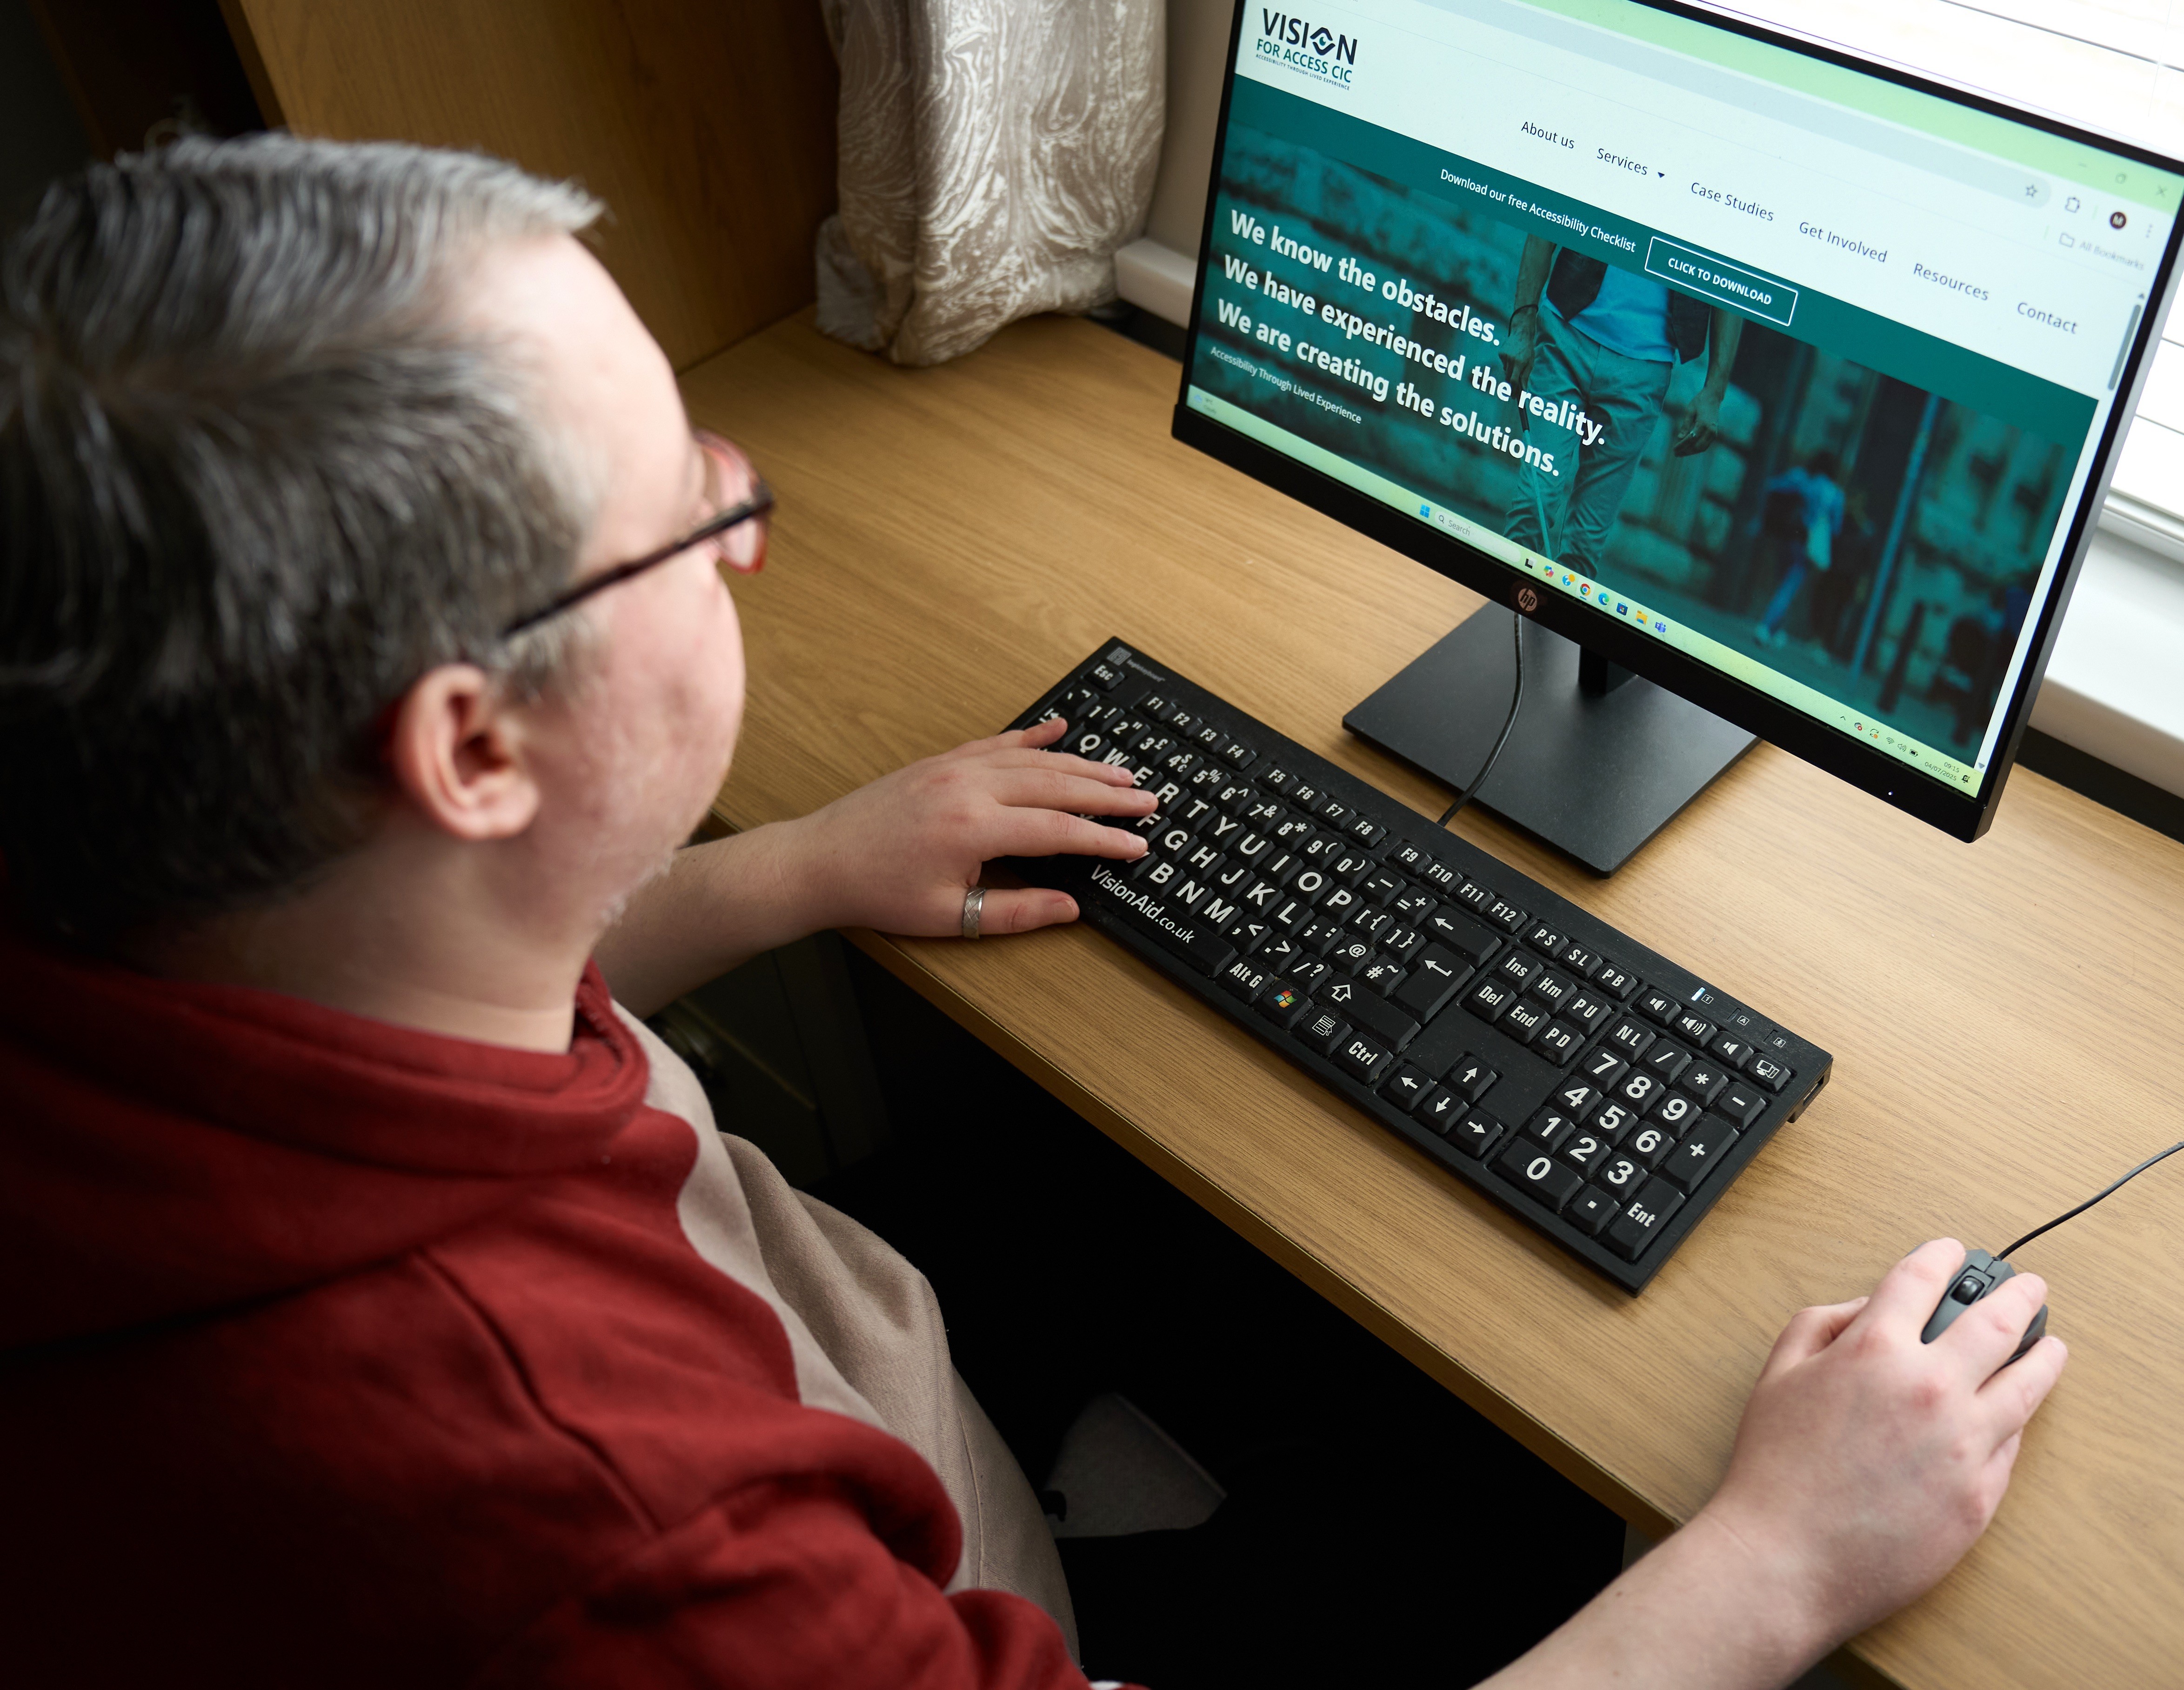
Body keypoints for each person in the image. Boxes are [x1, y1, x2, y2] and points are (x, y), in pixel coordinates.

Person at [0, 138, 2065, 1688]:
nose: (747, 536)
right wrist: (1784, 1557)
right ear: (470, 752)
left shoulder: (147, 918)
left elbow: (368, 1016)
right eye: (698, 509)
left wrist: (781, 870)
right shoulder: (618, 1535)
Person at [1501, 235, 1743, 576]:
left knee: (1584, 544)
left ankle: (1547, 625)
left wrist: (1714, 392)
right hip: (1565, 336)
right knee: (1535, 498)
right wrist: (1523, 325)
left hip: (1644, 370)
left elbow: (1733, 282)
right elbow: (1545, 222)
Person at [1752, 451, 1848, 650]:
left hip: (1789, 535)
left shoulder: (1800, 477)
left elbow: (1773, 486)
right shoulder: (1835, 494)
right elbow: (1837, 528)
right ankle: (1766, 627)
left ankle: (1778, 632)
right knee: (1790, 587)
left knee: (1782, 582)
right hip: (1809, 544)